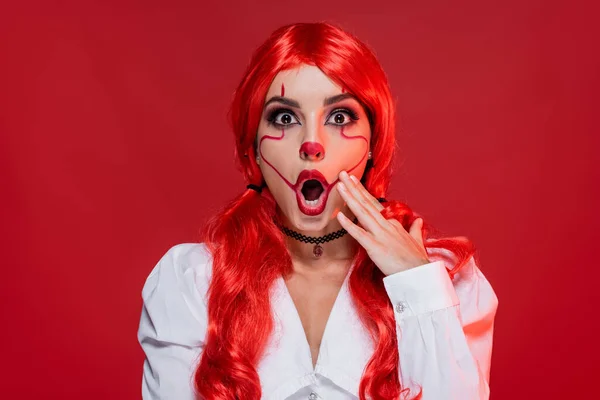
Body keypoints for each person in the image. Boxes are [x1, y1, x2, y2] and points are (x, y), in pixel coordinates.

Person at [137, 22, 499, 400]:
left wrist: (417, 284)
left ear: (375, 142)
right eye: (285, 118)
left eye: (339, 117)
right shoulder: (192, 284)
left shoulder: (448, 281)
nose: (312, 144)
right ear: (254, 148)